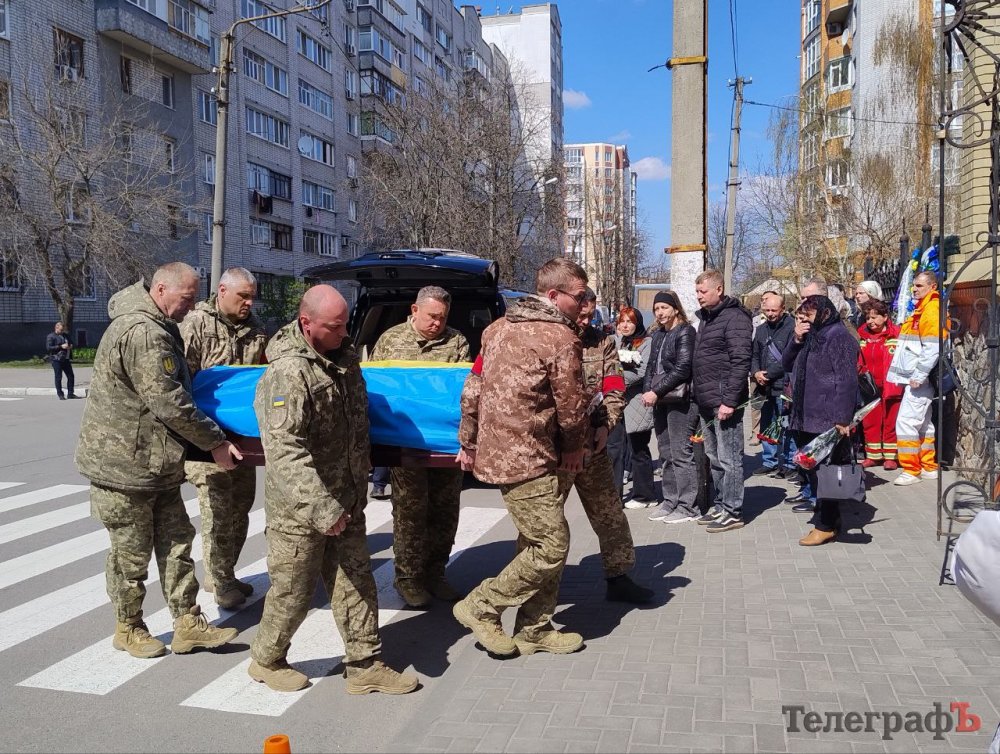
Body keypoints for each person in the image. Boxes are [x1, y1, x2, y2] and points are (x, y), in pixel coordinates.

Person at [249, 285, 418, 695]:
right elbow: (285, 451)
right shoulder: (289, 373)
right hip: (301, 510)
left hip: (346, 499)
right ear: (307, 324)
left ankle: (364, 664)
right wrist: (323, 509)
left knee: (356, 582)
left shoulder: (343, 359)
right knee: (293, 592)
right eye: (335, 326)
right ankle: (266, 659)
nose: (344, 334)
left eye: (345, 325)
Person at [75, 263, 242, 659]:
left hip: (156, 463)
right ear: (162, 289)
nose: (191, 306)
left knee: (177, 543)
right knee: (130, 556)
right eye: (187, 298)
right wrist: (215, 442)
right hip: (124, 467)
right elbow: (168, 401)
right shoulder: (144, 332)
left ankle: (187, 624)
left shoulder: (160, 325)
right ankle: (128, 627)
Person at [453, 257, 589, 657]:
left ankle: (535, 627)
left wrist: (469, 441)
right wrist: (574, 448)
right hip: (531, 456)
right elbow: (572, 407)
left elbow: (472, 388)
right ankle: (482, 606)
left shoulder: (496, 329)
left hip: (508, 453)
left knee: (535, 538)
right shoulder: (561, 338)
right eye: (579, 297)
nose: (584, 305)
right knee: (551, 545)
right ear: (554, 295)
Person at [370, 285, 470, 608]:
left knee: (445, 511)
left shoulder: (456, 342)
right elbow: (376, 389)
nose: (437, 323)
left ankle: (435, 573)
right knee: (410, 512)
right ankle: (408, 579)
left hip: (444, 446)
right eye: (431, 316)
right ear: (414, 310)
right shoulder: (390, 341)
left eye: (442, 317)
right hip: (405, 446)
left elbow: (461, 392)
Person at [181, 267, 268, 610]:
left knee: (241, 507)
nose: (249, 303)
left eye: (252, 297)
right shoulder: (196, 324)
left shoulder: (256, 329)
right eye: (242, 296)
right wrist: (201, 437)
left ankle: (224, 571)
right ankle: (221, 583)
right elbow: (181, 384)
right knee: (217, 512)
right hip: (206, 439)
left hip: (242, 440)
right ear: (221, 290)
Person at [569, 289, 652, 602]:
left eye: (591, 314)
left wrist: (608, 424)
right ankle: (539, 592)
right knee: (547, 530)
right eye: (581, 314)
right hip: (556, 450)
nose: (586, 320)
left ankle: (619, 577)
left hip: (593, 443)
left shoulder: (601, 341)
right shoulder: (550, 337)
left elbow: (614, 385)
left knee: (611, 515)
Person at [782, 295, 860, 545]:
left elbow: (847, 380)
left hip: (827, 417)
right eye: (802, 315)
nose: (804, 320)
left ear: (825, 314)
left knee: (825, 472)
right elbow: (786, 363)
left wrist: (842, 418)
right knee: (813, 471)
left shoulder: (839, 337)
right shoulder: (811, 336)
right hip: (806, 414)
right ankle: (829, 519)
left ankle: (825, 525)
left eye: (809, 315)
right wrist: (796, 339)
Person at [691, 269, 752, 533]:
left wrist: (729, 401)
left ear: (719, 289)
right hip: (706, 400)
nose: (698, 296)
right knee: (714, 457)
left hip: (724, 401)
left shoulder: (735, 318)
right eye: (697, 291)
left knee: (730, 458)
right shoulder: (707, 318)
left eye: (703, 291)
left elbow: (740, 361)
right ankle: (720, 504)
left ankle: (733, 510)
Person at [642, 291, 699, 524]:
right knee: (665, 452)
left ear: (675, 309)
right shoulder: (657, 335)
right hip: (661, 399)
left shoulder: (685, 331)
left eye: (664, 307)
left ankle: (688, 506)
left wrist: (656, 391)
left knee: (680, 452)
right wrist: (647, 391)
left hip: (681, 400)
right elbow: (650, 368)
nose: (660, 312)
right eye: (656, 309)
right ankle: (670, 501)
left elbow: (683, 367)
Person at [886, 271, 942, 486]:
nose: (914, 289)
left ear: (932, 287)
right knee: (924, 424)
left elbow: (932, 348)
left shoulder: (931, 309)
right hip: (917, 378)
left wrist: (919, 375)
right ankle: (928, 466)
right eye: (914, 285)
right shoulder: (923, 308)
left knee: (906, 422)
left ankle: (911, 470)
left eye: (919, 286)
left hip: (919, 379)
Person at [611, 307, 656, 508]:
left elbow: (642, 371)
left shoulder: (646, 342)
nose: (625, 325)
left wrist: (613, 381)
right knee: (614, 450)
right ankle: (614, 497)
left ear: (637, 323)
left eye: (630, 321)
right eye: (622, 321)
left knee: (638, 450)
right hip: (617, 403)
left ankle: (644, 496)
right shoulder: (616, 341)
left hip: (637, 403)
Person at [749, 292, 796, 478]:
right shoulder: (761, 330)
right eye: (767, 310)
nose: (770, 314)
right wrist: (755, 372)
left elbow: (790, 358)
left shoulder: (792, 327)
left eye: (774, 310)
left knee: (786, 425)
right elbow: (754, 354)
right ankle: (770, 461)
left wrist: (768, 374)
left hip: (784, 385)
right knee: (767, 425)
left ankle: (790, 463)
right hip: (764, 386)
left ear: (782, 309)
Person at [857, 299, 903, 470]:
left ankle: (891, 457)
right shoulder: (862, 336)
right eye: (868, 318)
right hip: (869, 387)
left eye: (874, 317)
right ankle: (873, 455)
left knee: (891, 420)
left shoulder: (896, 334)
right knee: (870, 421)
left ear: (885, 317)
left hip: (891, 385)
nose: (870, 321)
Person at [46, 322, 78, 400]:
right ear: (56, 328)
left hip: (66, 359)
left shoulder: (66, 335)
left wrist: (70, 346)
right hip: (56, 359)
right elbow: (49, 348)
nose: (62, 331)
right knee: (58, 377)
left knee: (70, 376)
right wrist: (61, 346)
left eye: (63, 330)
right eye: (61, 330)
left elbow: (71, 343)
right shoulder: (51, 336)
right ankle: (60, 394)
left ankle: (70, 393)